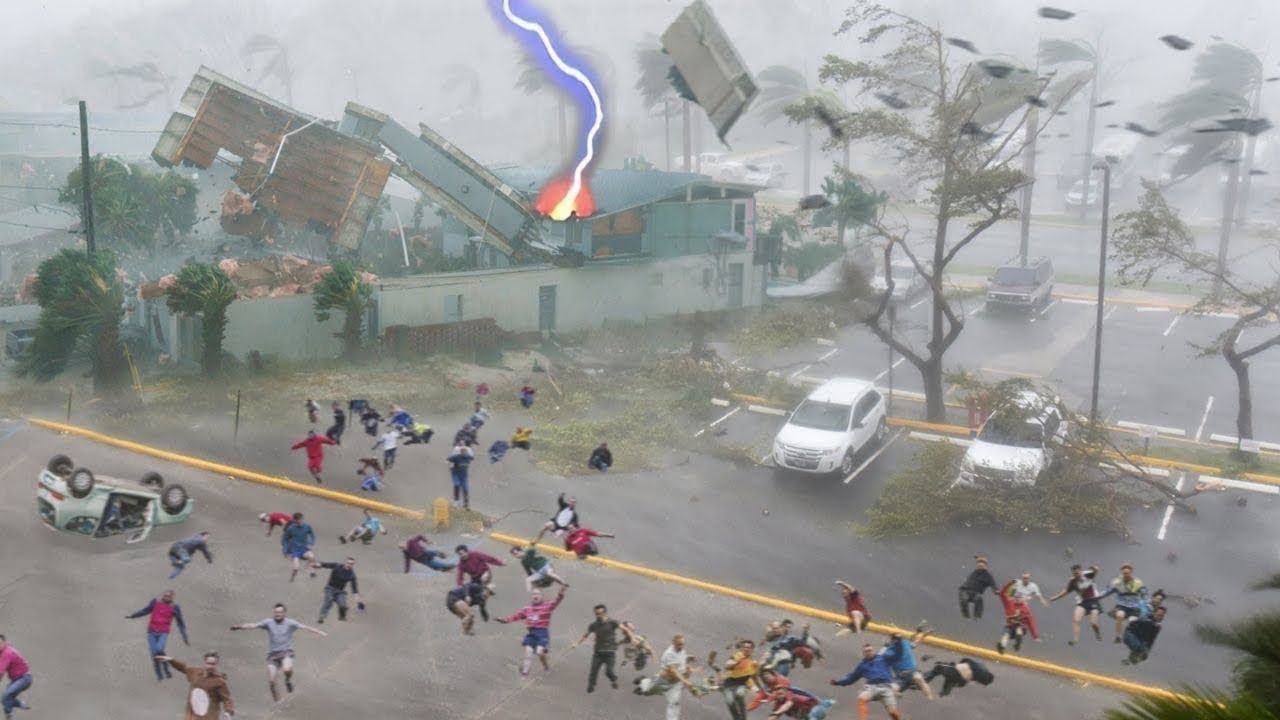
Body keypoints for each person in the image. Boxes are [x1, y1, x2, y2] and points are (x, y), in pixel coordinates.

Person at [230, 603, 326, 702]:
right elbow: (253, 625)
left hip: (286, 652)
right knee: (271, 681)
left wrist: (319, 632)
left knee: (287, 669)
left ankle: (288, 680)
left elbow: (305, 627)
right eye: (276, 612)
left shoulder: (290, 623)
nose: (277, 614)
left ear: (284, 613)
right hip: (273, 655)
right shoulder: (268, 622)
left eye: (280, 612)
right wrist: (239, 627)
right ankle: (277, 702)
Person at [497, 587, 568, 676]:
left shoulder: (547, 606)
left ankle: (546, 666)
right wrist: (505, 620)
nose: (535, 596)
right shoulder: (527, 609)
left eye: (537, 594)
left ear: (541, 596)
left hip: (542, 633)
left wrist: (561, 593)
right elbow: (516, 616)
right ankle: (525, 673)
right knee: (528, 652)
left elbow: (556, 601)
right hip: (531, 633)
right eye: (534, 594)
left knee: (539, 652)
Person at [830, 639, 903, 720]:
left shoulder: (883, 658)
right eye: (866, 651)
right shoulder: (862, 666)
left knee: (893, 713)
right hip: (872, 688)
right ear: (863, 654)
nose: (868, 652)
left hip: (887, 687)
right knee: (862, 698)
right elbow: (851, 678)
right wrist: (838, 682)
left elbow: (897, 655)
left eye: (870, 650)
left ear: (873, 651)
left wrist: (899, 642)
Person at [633, 634, 702, 719]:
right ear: (673, 643)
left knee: (674, 703)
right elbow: (674, 670)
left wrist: (687, 658)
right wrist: (685, 681)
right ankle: (642, 681)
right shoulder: (669, 653)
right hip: (663, 681)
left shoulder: (682, 651)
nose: (682, 646)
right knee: (647, 691)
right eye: (679, 644)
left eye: (683, 644)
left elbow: (680, 661)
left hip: (675, 684)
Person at [127, 589, 190, 681]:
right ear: (163, 596)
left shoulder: (174, 607)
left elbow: (180, 623)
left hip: (163, 632)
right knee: (154, 654)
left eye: (169, 596)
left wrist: (185, 637)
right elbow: (145, 611)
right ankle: (160, 675)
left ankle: (166, 668)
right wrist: (133, 616)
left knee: (159, 649)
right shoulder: (155, 602)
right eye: (165, 595)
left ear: (172, 598)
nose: (167, 597)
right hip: (151, 632)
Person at [154, 651, 234, 719]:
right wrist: (171, 660)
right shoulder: (196, 672)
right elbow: (184, 667)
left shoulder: (219, 681)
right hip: (192, 714)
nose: (210, 666)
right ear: (205, 662)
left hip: (209, 716)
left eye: (213, 664)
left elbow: (226, 698)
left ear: (216, 664)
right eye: (208, 663)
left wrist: (228, 711)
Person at [1049, 564, 1104, 645]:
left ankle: (1098, 634)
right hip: (1083, 602)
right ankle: (1075, 640)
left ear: (1081, 571)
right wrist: (1055, 597)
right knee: (1076, 620)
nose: (1076, 575)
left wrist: (1095, 568)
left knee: (1094, 623)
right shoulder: (1073, 581)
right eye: (1074, 574)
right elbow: (1066, 591)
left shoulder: (1088, 574)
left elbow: (1096, 570)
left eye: (1077, 573)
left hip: (1094, 600)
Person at [574, 604, 622, 693]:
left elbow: (623, 628)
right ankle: (591, 685)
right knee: (593, 670)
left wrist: (630, 635)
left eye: (600, 613)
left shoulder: (612, 622)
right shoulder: (593, 625)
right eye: (596, 614)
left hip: (610, 653)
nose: (598, 615)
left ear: (604, 613)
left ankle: (613, 680)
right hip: (598, 653)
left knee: (609, 671)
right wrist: (577, 643)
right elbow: (586, 635)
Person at [1100, 563, 1147, 643]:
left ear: (1131, 572)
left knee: (1132, 621)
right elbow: (1107, 591)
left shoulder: (1138, 582)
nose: (1126, 575)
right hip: (1122, 605)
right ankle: (1118, 636)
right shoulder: (1116, 582)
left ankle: (1132, 637)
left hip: (1134, 607)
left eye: (1127, 573)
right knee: (1119, 615)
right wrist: (1096, 596)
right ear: (1122, 572)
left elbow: (1144, 595)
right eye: (1124, 573)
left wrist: (1145, 607)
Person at [311, 556, 363, 623]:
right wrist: (316, 565)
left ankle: (342, 616)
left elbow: (354, 589)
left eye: (351, 564)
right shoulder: (337, 566)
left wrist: (358, 601)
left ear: (353, 565)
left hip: (340, 592)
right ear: (345, 562)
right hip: (330, 588)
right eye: (348, 563)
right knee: (328, 600)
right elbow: (325, 564)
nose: (349, 565)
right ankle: (322, 616)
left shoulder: (352, 575)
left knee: (342, 605)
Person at [887, 625, 932, 699]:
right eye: (896, 639)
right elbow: (885, 667)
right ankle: (897, 693)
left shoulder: (905, 643)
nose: (899, 640)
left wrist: (924, 635)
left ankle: (930, 699)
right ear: (893, 640)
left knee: (918, 678)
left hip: (912, 672)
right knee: (891, 689)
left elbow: (916, 641)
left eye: (900, 638)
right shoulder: (889, 651)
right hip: (901, 678)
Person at [720, 639, 760, 720]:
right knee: (730, 702)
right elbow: (727, 666)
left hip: (741, 684)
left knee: (740, 694)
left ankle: (743, 717)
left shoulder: (753, 663)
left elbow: (755, 677)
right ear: (742, 648)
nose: (746, 649)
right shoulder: (736, 656)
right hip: (728, 683)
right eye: (744, 647)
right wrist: (737, 661)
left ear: (752, 650)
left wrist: (760, 689)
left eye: (748, 647)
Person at [921, 657, 994, 697]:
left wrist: (960, 663)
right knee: (950, 678)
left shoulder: (982, 667)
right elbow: (976, 679)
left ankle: (924, 680)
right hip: (962, 681)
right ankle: (945, 691)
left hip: (959, 671)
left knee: (939, 667)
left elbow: (966, 659)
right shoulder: (983, 676)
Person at [1009, 572, 1050, 641]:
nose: (1025, 580)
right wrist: (1011, 598)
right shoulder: (1017, 583)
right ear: (1022, 578)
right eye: (1024, 578)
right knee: (1016, 618)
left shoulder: (1033, 586)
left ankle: (1034, 636)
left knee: (1029, 619)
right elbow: (1011, 593)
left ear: (1029, 579)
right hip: (1014, 604)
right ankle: (1015, 631)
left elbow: (1038, 595)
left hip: (1023, 605)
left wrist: (1043, 601)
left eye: (1027, 578)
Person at [995, 579, 1033, 654]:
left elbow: (1029, 620)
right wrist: (1010, 583)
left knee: (1019, 630)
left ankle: (1017, 643)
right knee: (1006, 635)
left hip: (1019, 626)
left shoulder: (1024, 606)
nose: (1017, 599)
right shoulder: (1008, 602)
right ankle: (1001, 647)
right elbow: (1002, 593)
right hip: (1010, 626)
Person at [0, 636, 31, 720]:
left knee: (6, 695)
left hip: (24, 678)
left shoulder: (7, 652)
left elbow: (0, 672)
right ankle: (20, 704)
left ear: (4, 642)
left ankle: (8, 715)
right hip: (16, 680)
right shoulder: (3, 652)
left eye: (0, 643)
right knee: (4, 700)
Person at [279, 512, 316, 582]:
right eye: (299, 520)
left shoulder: (307, 526)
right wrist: (285, 550)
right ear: (295, 520)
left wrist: (311, 543)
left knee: (312, 557)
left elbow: (312, 535)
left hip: (304, 548)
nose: (301, 521)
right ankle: (292, 578)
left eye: (302, 519)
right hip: (295, 550)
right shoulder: (291, 528)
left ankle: (312, 572)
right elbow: (284, 539)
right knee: (296, 567)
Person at [958, 556, 997, 620]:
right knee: (964, 599)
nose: (980, 565)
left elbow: (993, 584)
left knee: (978, 599)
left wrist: (996, 590)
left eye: (982, 564)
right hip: (965, 590)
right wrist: (978, 558)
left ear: (985, 566)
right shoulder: (974, 572)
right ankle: (966, 616)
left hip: (976, 593)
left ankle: (977, 616)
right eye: (979, 564)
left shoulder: (988, 576)